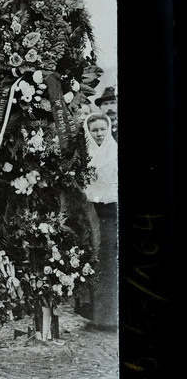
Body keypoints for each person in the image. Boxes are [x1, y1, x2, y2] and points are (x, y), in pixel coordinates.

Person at [83, 111, 118, 331]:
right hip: (89, 211)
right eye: (94, 130)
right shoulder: (85, 153)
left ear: (108, 130)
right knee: (89, 261)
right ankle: (92, 316)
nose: (98, 134)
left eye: (101, 130)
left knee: (106, 261)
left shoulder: (114, 152)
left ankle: (108, 318)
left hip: (108, 211)